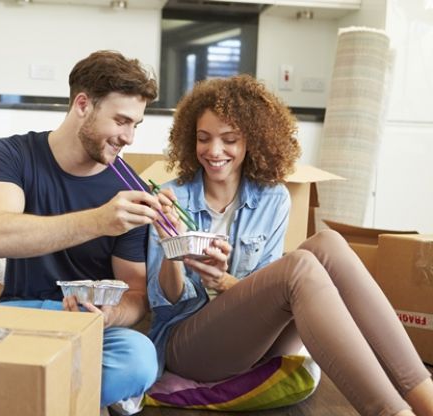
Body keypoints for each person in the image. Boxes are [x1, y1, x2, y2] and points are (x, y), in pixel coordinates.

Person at [147, 75, 433, 416]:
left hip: (255, 341)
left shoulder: (272, 198)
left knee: (328, 243)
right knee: (299, 266)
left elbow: (268, 296)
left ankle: (425, 397)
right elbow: (163, 304)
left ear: (251, 140)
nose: (214, 151)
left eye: (229, 140)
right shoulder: (169, 198)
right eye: (203, 139)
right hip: (187, 344)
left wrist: (222, 281)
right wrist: (172, 249)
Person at [0, 50, 161, 411]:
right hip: (22, 316)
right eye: (121, 120)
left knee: (139, 357)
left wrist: (111, 316)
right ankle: (69, 397)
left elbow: (136, 294)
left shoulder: (130, 187)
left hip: (90, 329)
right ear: (82, 104)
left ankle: (20, 396)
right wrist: (100, 220)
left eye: (136, 124)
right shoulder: (12, 154)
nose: (129, 138)